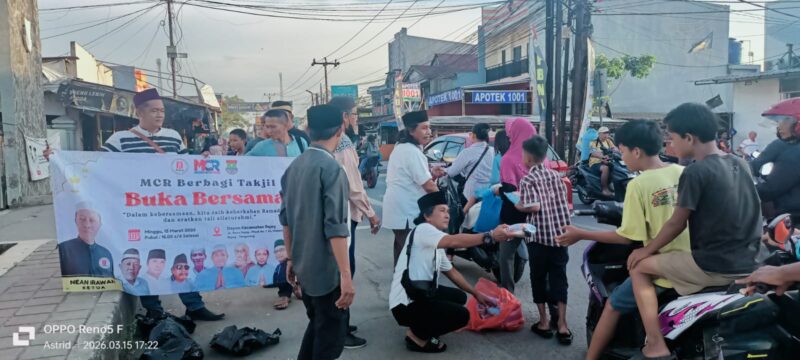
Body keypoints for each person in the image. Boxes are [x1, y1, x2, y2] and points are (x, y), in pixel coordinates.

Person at [49, 88, 222, 321]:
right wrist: (57, 158)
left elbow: (184, 166)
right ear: (139, 112)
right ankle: (154, 310)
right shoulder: (120, 140)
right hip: (139, 212)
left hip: (170, 209)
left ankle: (194, 305)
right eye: (154, 110)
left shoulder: (172, 137)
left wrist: (201, 160)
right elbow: (94, 166)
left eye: (162, 111)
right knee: (147, 258)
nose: (159, 115)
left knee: (179, 255)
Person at [626, 103, 762, 359]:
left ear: (689, 137)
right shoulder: (740, 163)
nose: (671, 144)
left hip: (713, 265)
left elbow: (677, 223)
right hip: (751, 260)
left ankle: (655, 343)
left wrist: (645, 250)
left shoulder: (696, 171)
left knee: (638, 268)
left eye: (673, 138)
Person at [556, 120, 691, 359]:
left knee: (614, 304)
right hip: (695, 262)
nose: (622, 156)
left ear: (636, 151)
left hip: (664, 268)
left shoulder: (638, 184)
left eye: (623, 151)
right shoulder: (683, 172)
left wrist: (580, 233)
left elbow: (628, 237)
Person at [390, 191, 512, 353]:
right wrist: (489, 236)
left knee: (459, 297)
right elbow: (453, 241)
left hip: (419, 294)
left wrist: (476, 294)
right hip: (404, 303)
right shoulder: (423, 230)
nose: (447, 215)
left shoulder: (435, 240)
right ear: (427, 216)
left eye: (447, 211)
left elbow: (451, 272)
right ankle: (417, 336)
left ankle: (421, 323)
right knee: (462, 316)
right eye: (441, 211)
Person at [279, 104, 354, 360]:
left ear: (309, 130)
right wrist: (346, 275)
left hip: (303, 266)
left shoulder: (294, 166)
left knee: (318, 327)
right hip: (326, 272)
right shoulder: (332, 169)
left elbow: (285, 219)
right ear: (341, 129)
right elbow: (335, 227)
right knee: (329, 340)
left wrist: (291, 258)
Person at [329, 96, 380, 349]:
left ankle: (340, 323)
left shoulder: (327, 144)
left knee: (340, 271)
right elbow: (354, 187)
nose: (356, 119)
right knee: (345, 272)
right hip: (344, 217)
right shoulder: (344, 143)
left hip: (334, 216)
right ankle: (340, 329)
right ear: (344, 117)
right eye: (355, 114)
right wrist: (371, 213)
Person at [515, 135, 574, 345]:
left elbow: (533, 206)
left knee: (538, 277)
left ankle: (543, 322)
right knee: (560, 279)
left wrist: (518, 205)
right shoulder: (555, 176)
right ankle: (563, 326)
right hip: (560, 236)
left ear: (529, 157)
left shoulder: (528, 179)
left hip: (539, 238)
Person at [383, 110, 439, 265]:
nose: (429, 132)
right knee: (414, 258)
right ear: (411, 130)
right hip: (406, 211)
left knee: (403, 255)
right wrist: (443, 204)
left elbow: (414, 177)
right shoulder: (410, 151)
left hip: (401, 210)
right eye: (424, 128)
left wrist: (431, 172)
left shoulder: (404, 147)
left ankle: (401, 287)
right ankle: (408, 288)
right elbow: (428, 186)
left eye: (429, 128)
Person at [497, 118, 537, 293]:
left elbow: (508, 189)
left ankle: (508, 294)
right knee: (539, 260)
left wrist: (499, 190)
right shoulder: (542, 159)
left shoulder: (508, 158)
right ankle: (544, 309)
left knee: (506, 256)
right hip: (538, 217)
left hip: (513, 216)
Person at [756, 98, 800, 225]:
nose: (779, 126)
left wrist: (742, 189)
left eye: (784, 120)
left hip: (793, 221)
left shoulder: (795, 153)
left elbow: (770, 190)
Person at [441, 123, 494, 215]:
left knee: (468, 221)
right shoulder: (493, 151)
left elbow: (452, 172)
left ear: (473, 135)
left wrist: (443, 170)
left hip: (470, 194)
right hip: (489, 193)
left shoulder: (467, 152)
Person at [58, 202, 114, 277]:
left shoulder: (106, 253)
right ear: (75, 221)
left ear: (100, 224)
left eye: (92, 220)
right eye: (82, 219)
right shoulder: (64, 249)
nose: (87, 225)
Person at [588, 126, 617, 197]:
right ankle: (605, 189)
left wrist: (620, 153)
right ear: (600, 134)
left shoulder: (608, 141)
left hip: (608, 161)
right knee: (605, 168)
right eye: (604, 133)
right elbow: (593, 152)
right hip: (595, 163)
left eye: (607, 133)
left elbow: (615, 149)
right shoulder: (594, 142)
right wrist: (602, 156)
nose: (606, 135)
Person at [271, 239, 294, 309]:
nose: (279, 253)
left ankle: (285, 296)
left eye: (281, 250)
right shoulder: (278, 267)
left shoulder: (288, 264)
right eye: (276, 251)